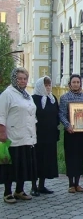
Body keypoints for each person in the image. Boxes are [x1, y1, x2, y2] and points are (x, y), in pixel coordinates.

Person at [0, 68, 37, 203]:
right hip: (13, 136)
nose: (22, 81)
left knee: (23, 164)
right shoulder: (7, 94)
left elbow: (32, 114)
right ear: (14, 79)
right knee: (11, 166)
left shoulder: (27, 94)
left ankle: (19, 190)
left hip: (27, 136)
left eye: (25, 78)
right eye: (19, 78)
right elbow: (1, 115)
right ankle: (7, 192)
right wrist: (2, 132)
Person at [59, 74, 83, 193]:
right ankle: (71, 184)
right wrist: (68, 126)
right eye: (74, 82)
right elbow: (61, 114)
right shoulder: (64, 97)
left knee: (79, 157)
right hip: (71, 133)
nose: (76, 84)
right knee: (71, 157)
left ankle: (78, 183)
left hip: (82, 132)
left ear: (80, 84)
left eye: (78, 82)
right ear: (70, 84)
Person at [31, 76, 60, 196]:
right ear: (40, 86)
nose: (48, 87)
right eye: (45, 85)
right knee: (36, 159)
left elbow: (56, 114)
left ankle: (42, 185)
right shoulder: (34, 99)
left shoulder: (53, 99)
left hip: (50, 135)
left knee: (46, 160)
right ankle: (33, 187)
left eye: (49, 85)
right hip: (38, 135)